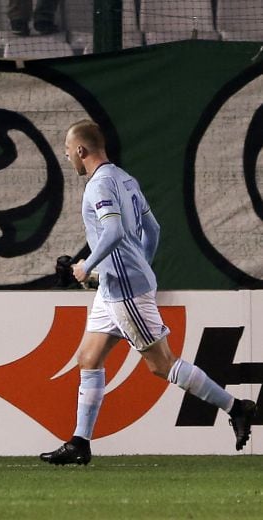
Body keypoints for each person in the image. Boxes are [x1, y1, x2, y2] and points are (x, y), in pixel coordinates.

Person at [40, 120, 258, 465]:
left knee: (162, 365)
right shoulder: (124, 179)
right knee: (88, 358)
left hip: (125, 291)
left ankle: (236, 408)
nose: (67, 157)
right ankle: (80, 443)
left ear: (81, 150)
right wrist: (139, 264)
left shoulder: (98, 186)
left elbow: (111, 231)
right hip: (114, 288)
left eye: (68, 151)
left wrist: (86, 265)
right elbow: (152, 230)